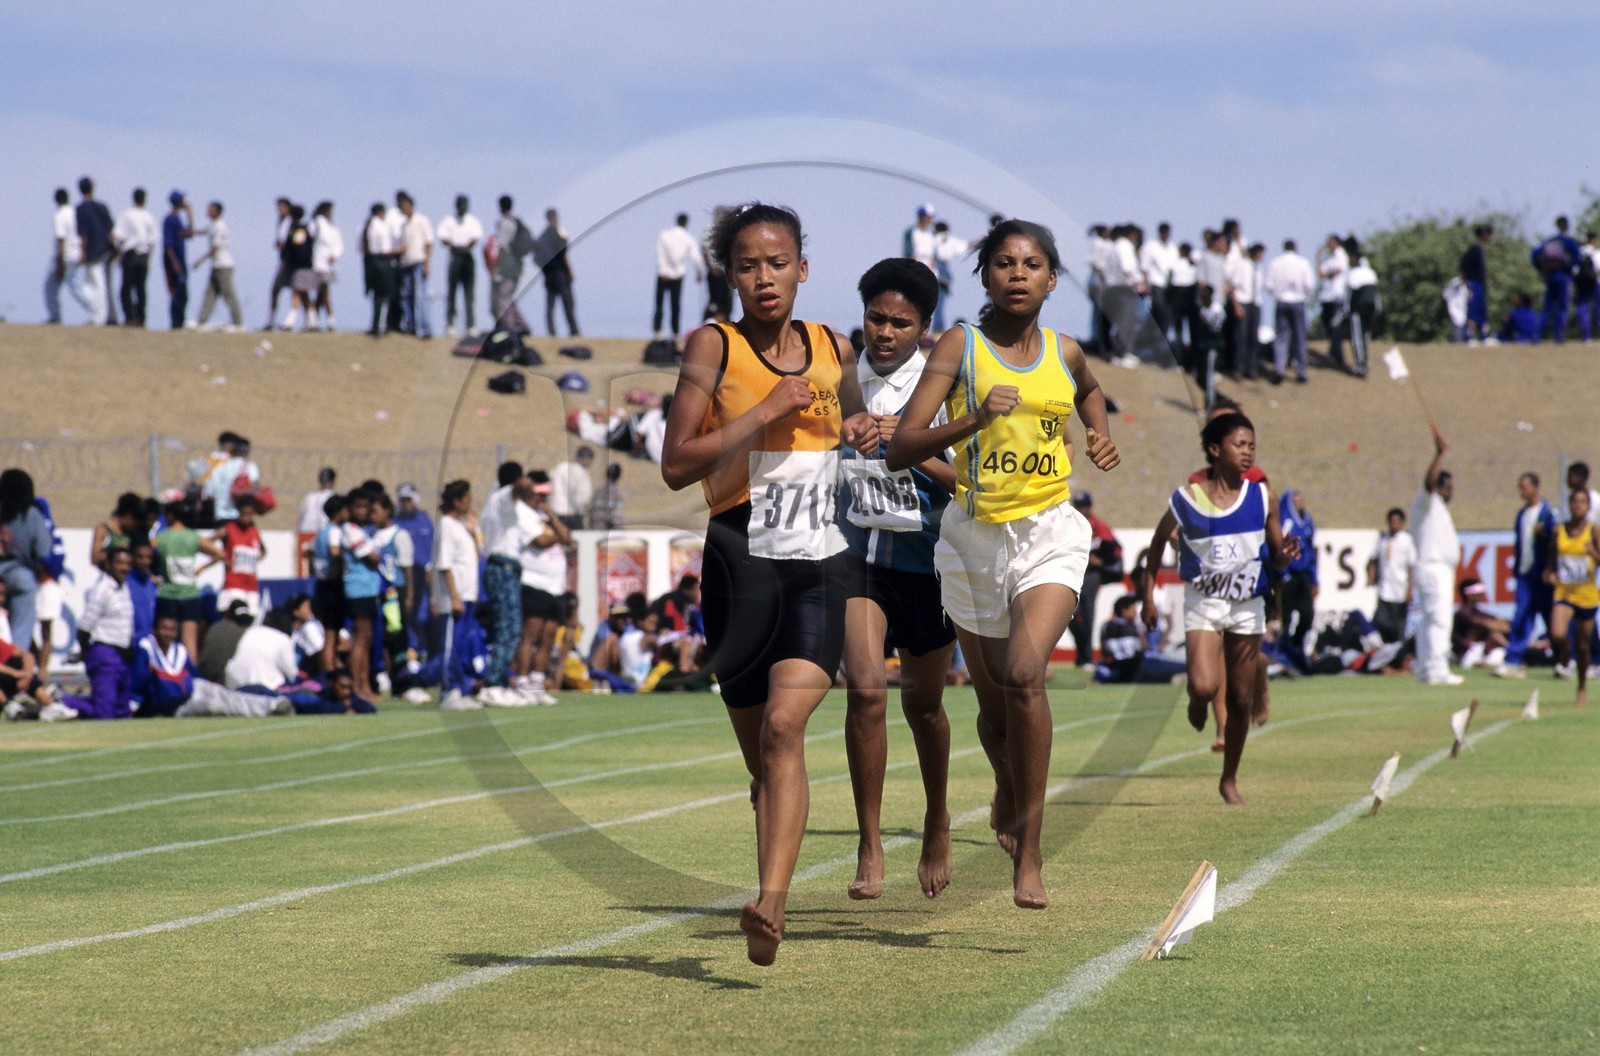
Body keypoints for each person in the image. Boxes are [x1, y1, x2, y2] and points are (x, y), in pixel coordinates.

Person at [660, 202, 880, 965]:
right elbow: (678, 463)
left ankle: (772, 904)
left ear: (803, 269)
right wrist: (763, 410)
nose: (764, 278)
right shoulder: (712, 345)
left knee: (788, 728)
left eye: (778, 263)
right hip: (737, 559)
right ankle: (771, 899)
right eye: (748, 266)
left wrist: (863, 429)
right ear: (730, 275)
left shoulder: (831, 346)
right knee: (764, 758)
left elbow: (856, 429)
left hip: (821, 560)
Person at [889, 218, 1121, 907]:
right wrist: (974, 423)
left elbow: (1089, 391)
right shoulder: (962, 345)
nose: (1017, 273)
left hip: (1049, 532)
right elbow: (901, 446)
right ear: (985, 276)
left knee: (1026, 676)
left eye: (1032, 264)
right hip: (972, 539)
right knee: (994, 707)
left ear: (1052, 279)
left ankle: (1031, 851)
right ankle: (1004, 788)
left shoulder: (1067, 351)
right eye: (1003, 263)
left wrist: (1099, 433)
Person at [836, 257, 957, 901]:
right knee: (864, 692)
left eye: (900, 323)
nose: (884, 333)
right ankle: (870, 839)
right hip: (859, 563)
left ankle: (938, 818)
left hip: (928, 564)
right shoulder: (839, 378)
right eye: (875, 319)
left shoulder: (942, 383)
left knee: (924, 706)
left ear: (924, 326)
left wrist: (909, 444)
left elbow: (968, 480)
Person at [1139, 412, 1298, 804]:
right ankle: (1196, 700)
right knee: (1205, 685)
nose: (1248, 452)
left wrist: (1285, 556)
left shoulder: (1263, 497)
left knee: (1241, 699)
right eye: (1239, 445)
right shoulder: (1186, 499)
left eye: (1252, 446)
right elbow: (1157, 545)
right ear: (1215, 450)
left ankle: (1229, 779)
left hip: (1247, 606)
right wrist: (1148, 596)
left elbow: (1276, 557)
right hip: (1205, 602)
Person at [54, 547, 137, 721]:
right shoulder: (102, 590)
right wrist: (86, 653)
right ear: (108, 564)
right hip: (105, 653)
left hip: (123, 655)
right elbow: (84, 629)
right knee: (104, 713)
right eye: (120, 563)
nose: (125, 568)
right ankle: (58, 699)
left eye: (128, 563)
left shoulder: (125, 587)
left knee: (122, 712)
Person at [1411, 430, 1463, 685]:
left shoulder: (1439, 509)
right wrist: (1438, 455)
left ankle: (1424, 667)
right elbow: (1429, 483)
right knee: (1441, 617)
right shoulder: (1428, 502)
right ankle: (1437, 668)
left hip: (1438, 569)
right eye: (1448, 486)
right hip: (1433, 567)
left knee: (1430, 618)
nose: (1452, 491)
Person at [1496, 473, 1558, 679]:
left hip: (1542, 576)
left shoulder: (1548, 513)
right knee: (1521, 617)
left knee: (1553, 620)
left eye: (1525, 486)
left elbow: (1556, 541)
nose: (1522, 491)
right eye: (1520, 486)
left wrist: (1551, 567)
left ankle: (1564, 659)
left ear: (1536, 487)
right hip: (1525, 575)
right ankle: (1513, 661)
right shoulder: (1522, 514)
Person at [1547, 488, 1599, 705]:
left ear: (1588, 506)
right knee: (1557, 633)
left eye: (1582, 502)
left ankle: (1581, 688)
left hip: (1587, 594)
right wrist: (1549, 571)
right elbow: (1551, 553)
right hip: (1565, 592)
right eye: (1574, 502)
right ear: (1569, 505)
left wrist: (1592, 553)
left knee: (1584, 646)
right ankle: (1565, 649)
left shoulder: (1594, 530)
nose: (1578, 506)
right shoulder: (1559, 530)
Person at [479, 461, 527, 691]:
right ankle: (493, 684)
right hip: (503, 569)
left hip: (503, 569)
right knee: (508, 629)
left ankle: (499, 681)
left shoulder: (494, 500)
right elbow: (520, 486)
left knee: (508, 629)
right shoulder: (502, 498)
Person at [336, 489, 382, 700]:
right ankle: (357, 686)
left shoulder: (363, 531)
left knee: (367, 637)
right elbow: (372, 558)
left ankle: (364, 685)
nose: (363, 511)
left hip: (368, 588)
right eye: (359, 507)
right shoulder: (350, 530)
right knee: (361, 639)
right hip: (358, 588)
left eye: (366, 507)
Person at [0, 469, 53, 652]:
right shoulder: (30, 514)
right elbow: (44, 551)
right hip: (21, 576)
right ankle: (14, 668)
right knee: (20, 633)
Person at [1066, 491, 1120, 668]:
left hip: (1091, 574)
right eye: (1078, 506)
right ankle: (1082, 650)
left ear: (1090, 506)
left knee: (1088, 615)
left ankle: (1086, 657)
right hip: (1073, 571)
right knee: (1068, 614)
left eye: (1084, 506)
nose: (1081, 509)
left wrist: (1101, 561)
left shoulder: (1098, 526)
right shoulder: (1069, 524)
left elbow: (1115, 550)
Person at [1095, 595, 1187, 684]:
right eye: (1133, 608)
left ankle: (1173, 676)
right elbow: (1144, 647)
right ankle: (1180, 674)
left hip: (1115, 668)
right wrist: (1142, 630)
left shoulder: (1106, 626)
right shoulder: (1128, 627)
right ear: (1124, 611)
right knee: (1169, 665)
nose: (1136, 612)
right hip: (1134, 667)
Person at [1265, 240, 1315, 384]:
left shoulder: (1275, 263)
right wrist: (1304, 295)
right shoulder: (1302, 263)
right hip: (1298, 302)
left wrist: (1277, 294)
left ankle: (1279, 368)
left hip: (1281, 301)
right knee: (1299, 336)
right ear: (1295, 248)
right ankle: (1301, 371)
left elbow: (1269, 285)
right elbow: (1309, 285)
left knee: (1281, 336)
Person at [129, 615, 197, 718]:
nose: (168, 634)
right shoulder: (146, 648)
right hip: (150, 707)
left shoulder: (180, 651)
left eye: (172, 630)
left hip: (179, 706)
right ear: (154, 630)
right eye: (164, 629)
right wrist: (133, 706)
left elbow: (194, 676)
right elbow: (139, 679)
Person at [191, 200, 244, 331]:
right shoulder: (213, 225)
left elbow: (215, 247)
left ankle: (238, 323)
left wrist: (200, 261)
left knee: (228, 294)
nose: (207, 211)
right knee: (210, 294)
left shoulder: (220, 226)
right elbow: (201, 232)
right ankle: (201, 321)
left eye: (210, 208)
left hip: (223, 265)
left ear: (217, 211)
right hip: (215, 266)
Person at [1278, 488, 1318, 661]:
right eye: (1295, 499)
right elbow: (1278, 546)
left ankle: (1295, 645)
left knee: (1307, 614)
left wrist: (1314, 579)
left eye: (1300, 498)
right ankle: (1284, 653)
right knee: (1286, 619)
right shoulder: (1285, 521)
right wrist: (1282, 574)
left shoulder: (1307, 521)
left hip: (1302, 576)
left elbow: (1310, 552)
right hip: (1287, 576)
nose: (1299, 502)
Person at [1366, 507, 1416, 644]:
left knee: (1399, 624)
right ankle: (1386, 646)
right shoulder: (1383, 538)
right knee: (1381, 620)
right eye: (1391, 521)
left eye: (1397, 522)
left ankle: (1399, 652)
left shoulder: (1407, 541)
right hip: (1384, 589)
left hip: (1400, 590)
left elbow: (1411, 566)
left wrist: (1410, 589)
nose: (1393, 525)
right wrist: (1371, 578)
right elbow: (1373, 559)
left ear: (1402, 523)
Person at [211, 494, 266, 616]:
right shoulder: (229, 529)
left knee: (251, 619)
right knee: (232, 618)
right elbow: (207, 542)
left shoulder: (254, 531)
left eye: (250, 514)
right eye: (244, 513)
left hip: (251, 586)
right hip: (233, 584)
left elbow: (263, 551)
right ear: (238, 512)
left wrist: (255, 558)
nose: (247, 517)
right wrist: (221, 555)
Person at [654, 213, 704, 339]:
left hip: (663, 275)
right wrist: (699, 273)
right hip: (678, 275)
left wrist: (662, 270)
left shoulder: (664, 235)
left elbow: (660, 254)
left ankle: (658, 330)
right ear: (686, 223)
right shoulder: (688, 238)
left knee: (660, 304)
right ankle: (675, 332)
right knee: (675, 305)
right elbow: (696, 258)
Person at [112, 187, 158, 327]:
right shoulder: (148, 217)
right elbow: (152, 240)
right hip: (143, 255)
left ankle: (130, 317)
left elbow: (118, 236)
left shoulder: (127, 215)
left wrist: (118, 254)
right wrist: (148, 257)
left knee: (126, 287)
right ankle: (141, 318)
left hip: (130, 254)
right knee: (141, 288)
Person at [1531, 216, 1581, 344]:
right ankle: (1558, 337)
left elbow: (1534, 255)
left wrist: (1541, 269)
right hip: (1564, 277)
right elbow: (1577, 259)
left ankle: (1537, 336)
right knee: (1563, 307)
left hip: (1550, 276)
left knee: (1547, 307)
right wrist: (1568, 268)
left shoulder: (1550, 241)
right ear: (1567, 226)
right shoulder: (1569, 242)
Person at [46, 187, 91, 324]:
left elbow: (61, 239)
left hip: (65, 256)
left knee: (51, 287)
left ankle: (55, 316)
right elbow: (84, 235)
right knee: (75, 286)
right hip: (77, 254)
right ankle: (96, 310)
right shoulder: (75, 212)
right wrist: (84, 252)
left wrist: (60, 261)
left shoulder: (59, 215)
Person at [76, 176, 118, 325]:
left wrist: (82, 252)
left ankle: (98, 317)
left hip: (93, 251)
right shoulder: (102, 206)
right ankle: (108, 316)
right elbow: (111, 231)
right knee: (105, 284)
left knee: (94, 284)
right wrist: (116, 251)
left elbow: (84, 234)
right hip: (107, 251)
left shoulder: (81, 209)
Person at [489, 195, 533, 334]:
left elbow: (501, 246)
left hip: (507, 265)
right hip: (517, 265)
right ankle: (523, 327)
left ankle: (508, 329)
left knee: (502, 299)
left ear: (500, 206)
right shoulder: (517, 221)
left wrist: (495, 265)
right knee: (508, 298)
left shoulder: (504, 223)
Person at [534, 208, 579, 336]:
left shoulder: (542, 236)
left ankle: (551, 332)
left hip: (548, 274)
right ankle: (574, 330)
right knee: (568, 303)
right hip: (560, 272)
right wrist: (569, 271)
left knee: (550, 305)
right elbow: (563, 255)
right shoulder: (557, 235)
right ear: (555, 217)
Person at [395, 191, 433, 337]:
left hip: (418, 262)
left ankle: (425, 327)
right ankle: (412, 326)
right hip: (406, 264)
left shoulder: (421, 220)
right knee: (407, 296)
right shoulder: (404, 225)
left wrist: (427, 264)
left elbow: (429, 243)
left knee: (420, 296)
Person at [361, 202, 399, 337]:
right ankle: (380, 325)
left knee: (376, 296)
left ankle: (375, 324)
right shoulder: (380, 226)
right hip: (382, 263)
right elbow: (385, 250)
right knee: (383, 296)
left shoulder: (365, 226)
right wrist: (401, 249)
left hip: (370, 262)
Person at [162, 190, 195, 330]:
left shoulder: (177, 219)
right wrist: (174, 263)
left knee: (183, 294)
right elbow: (168, 245)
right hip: (174, 262)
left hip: (180, 261)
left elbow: (189, 234)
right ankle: (176, 324)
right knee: (177, 293)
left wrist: (190, 215)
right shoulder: (170, 219)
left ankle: (179, 323)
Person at [1316, 233, 1350, 372]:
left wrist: (1327, 275)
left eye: (1329, 242)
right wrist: (1318, 258)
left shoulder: (1341, 255)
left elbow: (1336, 272)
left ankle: (1335, 355)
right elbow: (1320, 273)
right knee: (1329, 326)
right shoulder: (1329, 259)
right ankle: (1336, 354)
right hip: (1326, 296)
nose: (1327, 245)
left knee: (1335, 326)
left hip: (1337, 295)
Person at [310, 200, 343, 331]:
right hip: (317, 263)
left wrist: (335, 255)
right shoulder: (316, 224)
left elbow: (339, 244)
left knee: (322, 292)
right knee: (322, 291)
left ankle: (316, 320)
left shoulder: (332, 227)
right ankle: (326, 319)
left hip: (328, 264)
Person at [1346, 246, 1378, 376]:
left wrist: (1345, 312)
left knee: (1357, 336)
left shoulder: (1353, 274)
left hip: (1358, 309)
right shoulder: (1371, 272)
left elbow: (1348, 296)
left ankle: (1361, 364)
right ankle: (1364, 360)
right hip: (1371, 309)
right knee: (1365, 335)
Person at [91, 492, 143, 570]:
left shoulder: (129, 534)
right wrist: (116, 555)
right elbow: (94, 558)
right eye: (134, 522)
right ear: (128, 516)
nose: (134, 526)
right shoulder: (103, 530)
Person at [263, 197, 293, 330]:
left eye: (281, 207)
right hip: (283, 260)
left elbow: (285, 243)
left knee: (298, 292)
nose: (279, 210)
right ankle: (272, 321)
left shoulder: (290, 223)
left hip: (289, 262)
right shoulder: (281, 222)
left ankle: (297, 320)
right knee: (276, 291)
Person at [1459, 224, 1492, 344]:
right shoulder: (1474, 249)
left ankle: (1484, 336)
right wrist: (1466, 281)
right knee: (1472, 310)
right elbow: (1463, 265)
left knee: (1481, 310)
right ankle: (1469, 336)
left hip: (1480, 284)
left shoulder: (1481, 249)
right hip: (1474, 283)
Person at [549, 447, 594, 531]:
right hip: (572, 517)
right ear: (587, 459)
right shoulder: (581, 472)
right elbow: (581, 499)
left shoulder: (560, 467)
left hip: (555, 514)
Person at [1575, 231, 1600, 342]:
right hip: (1595, 283)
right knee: (1598, 308)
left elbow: (1574, 269)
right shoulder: (1596, 253)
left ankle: (1586, 337)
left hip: (1581, 283)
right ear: (1594, 239)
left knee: (1583, 307)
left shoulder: (1580, 252)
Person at [298, 467, 338, 537]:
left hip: (306, 533)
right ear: (333, 481)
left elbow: (301, 516)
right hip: (325, 534)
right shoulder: (333, 497)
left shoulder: (309, 497)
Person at [589, 462, 625, 530]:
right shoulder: (617, 494)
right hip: (611, 530)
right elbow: (618, 519)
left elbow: (593, 513)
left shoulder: (598, 492)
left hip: (597, 528)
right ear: (619, 476)